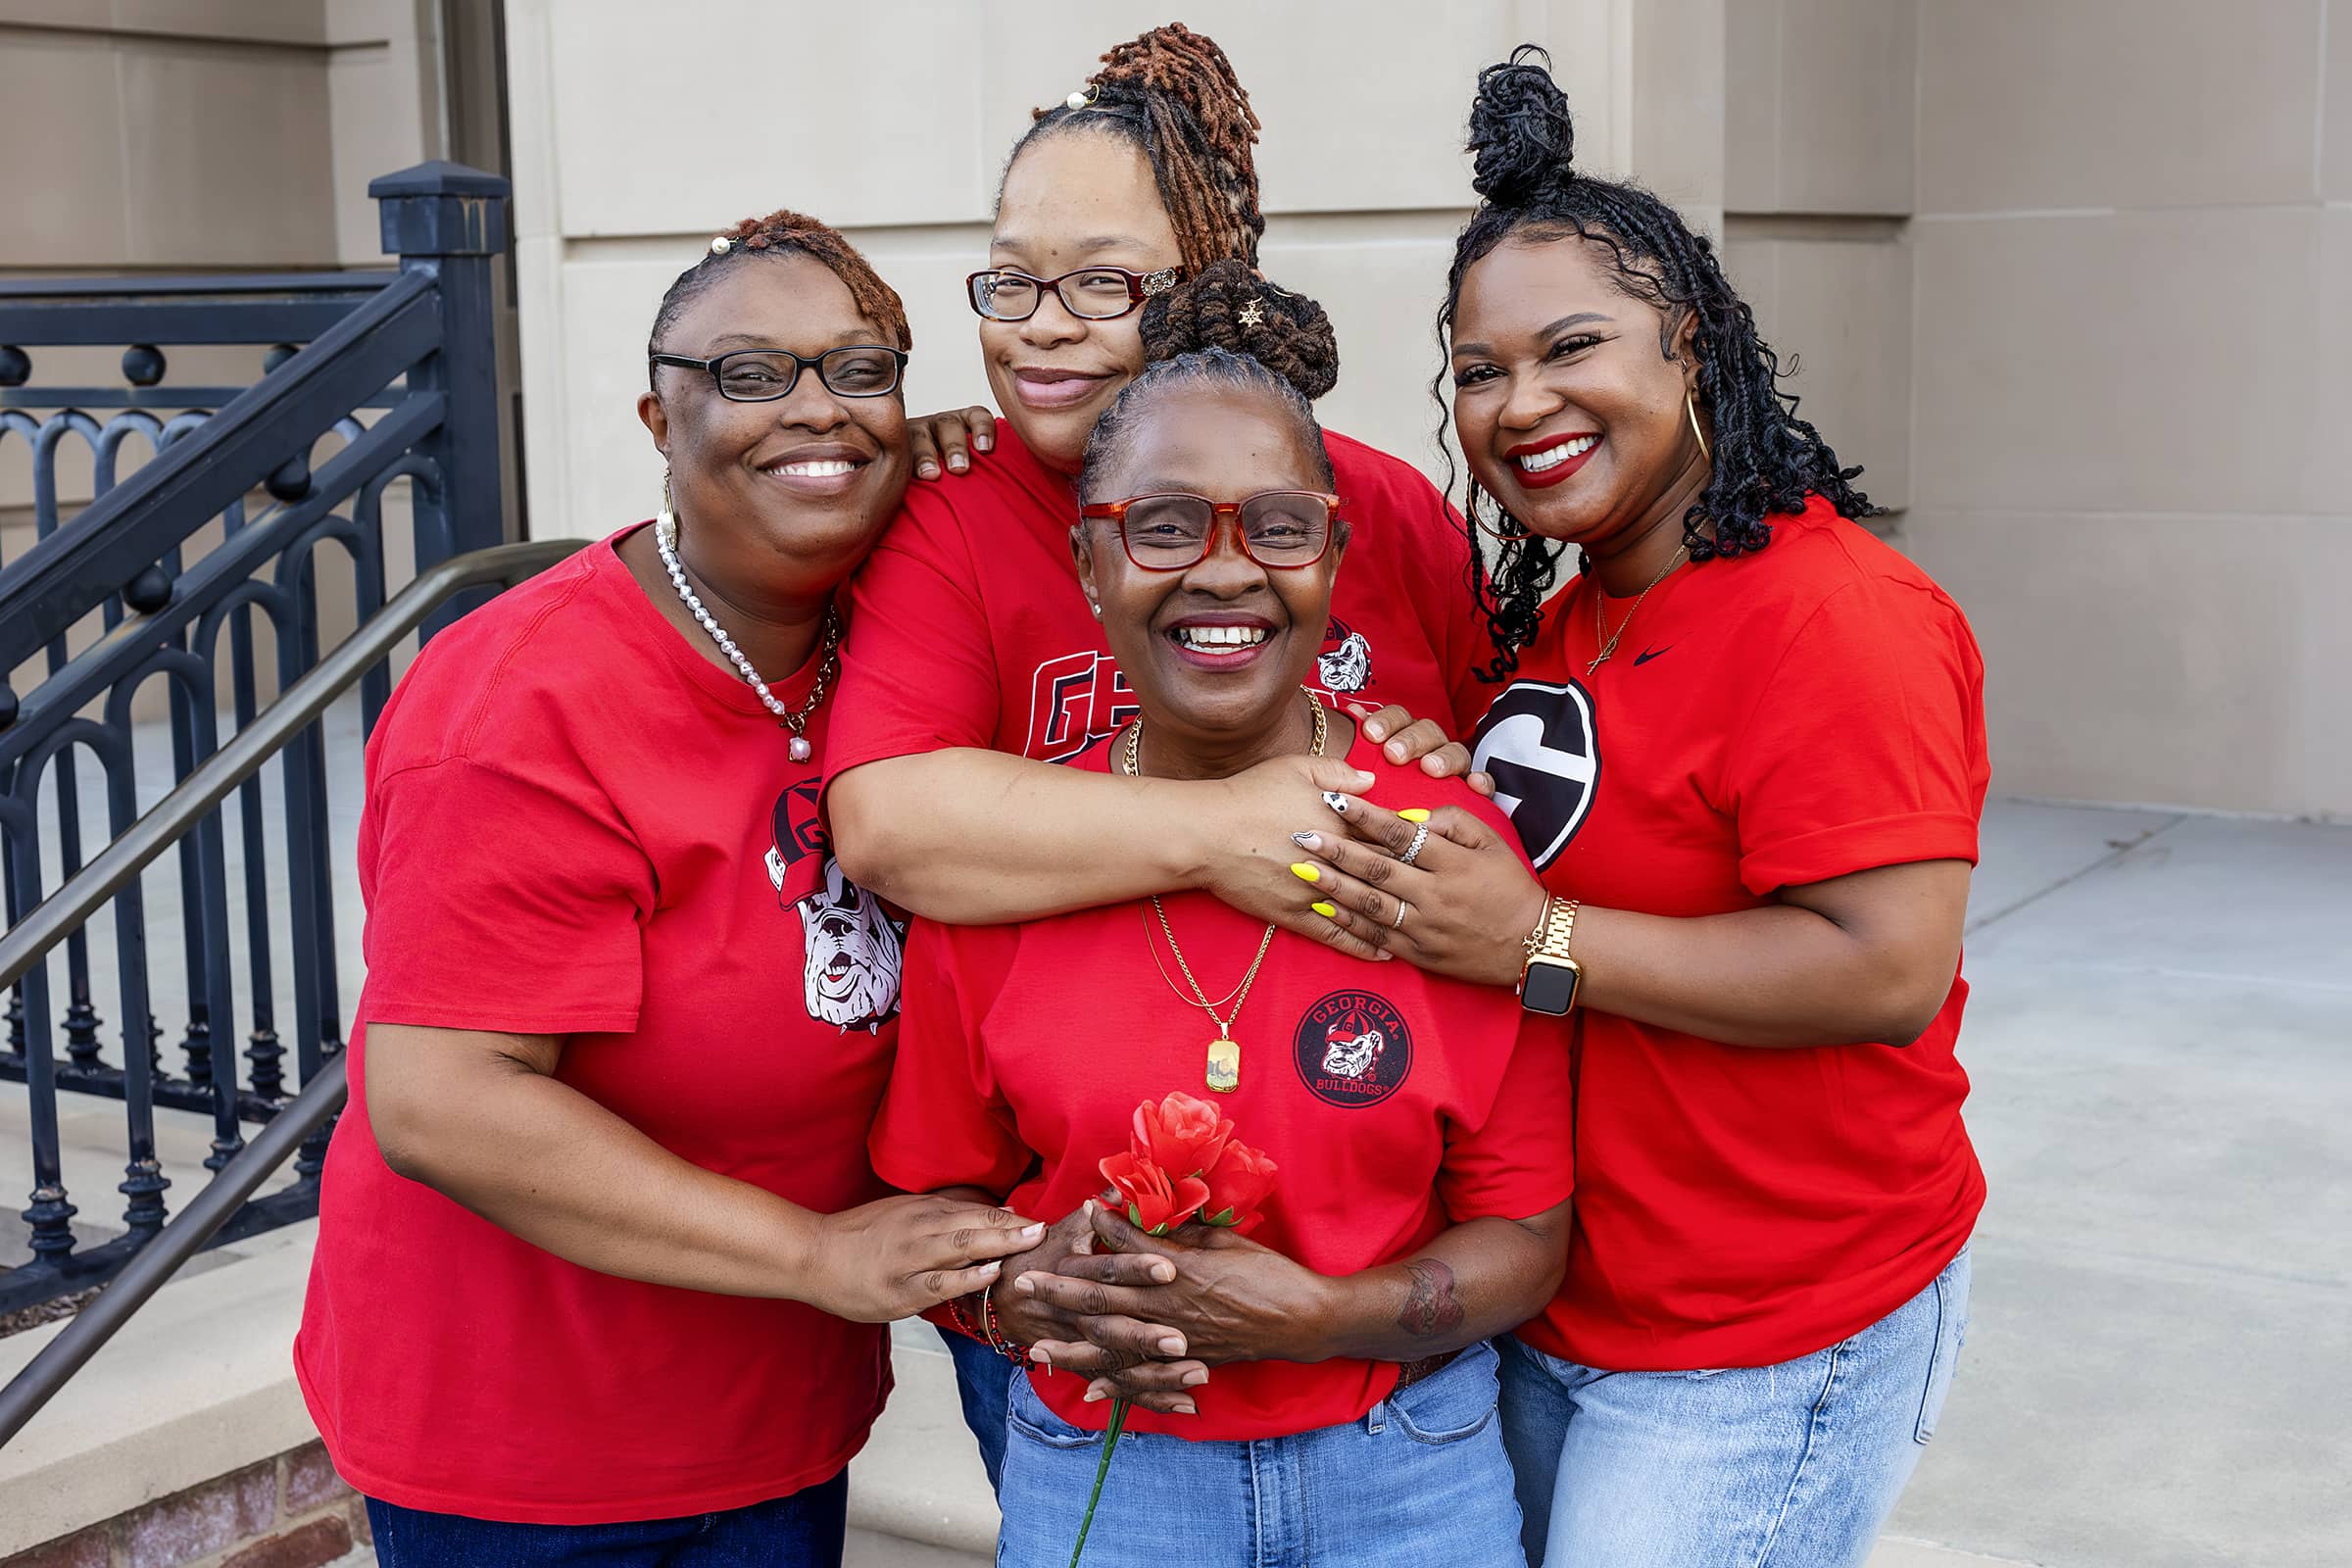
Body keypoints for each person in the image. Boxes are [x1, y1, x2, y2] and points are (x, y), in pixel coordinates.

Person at [1280, 50, 1987, 1568]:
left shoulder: (1835, 615)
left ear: (1689, 344)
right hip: (1571, 1302)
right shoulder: (1577, 614)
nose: (1521, 403)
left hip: (1764, 1335)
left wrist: (1531, 936)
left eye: (1571, 348)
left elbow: (1883, 968)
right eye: (1480, 372)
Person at [293, 210, 1042, 1567]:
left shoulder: (902, 632)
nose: (812, 407)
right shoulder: (525, 697)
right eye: (749, 375)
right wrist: (822, 1261)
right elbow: (443, 1101)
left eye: (858, 368)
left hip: (772, 1410)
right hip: (528, 1440)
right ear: (658, 416)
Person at [822, 23, 1484, 1487]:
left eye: (1102, 279)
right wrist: (1233, 826)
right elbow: (889, 825)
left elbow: (1477, 792)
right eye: (1011, 278)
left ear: (1207, 280)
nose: (1042, 322)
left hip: (1370, 1266)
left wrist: (1432, 755)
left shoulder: (1367, 508)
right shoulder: (947, 515)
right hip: (1082, 1269)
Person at [868, 348, 1574, 1567]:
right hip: (1110, 1471)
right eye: (1164, 525)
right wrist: (1012, 1292)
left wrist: (1324, 1318)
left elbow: (1528, 1238)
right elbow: (934, 1207)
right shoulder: (1007, 863)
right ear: (1088, 567)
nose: (1229, 567)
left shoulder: (1444, 848)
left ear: (1333, 559)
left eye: (1281, 526)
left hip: (1405, 1467)